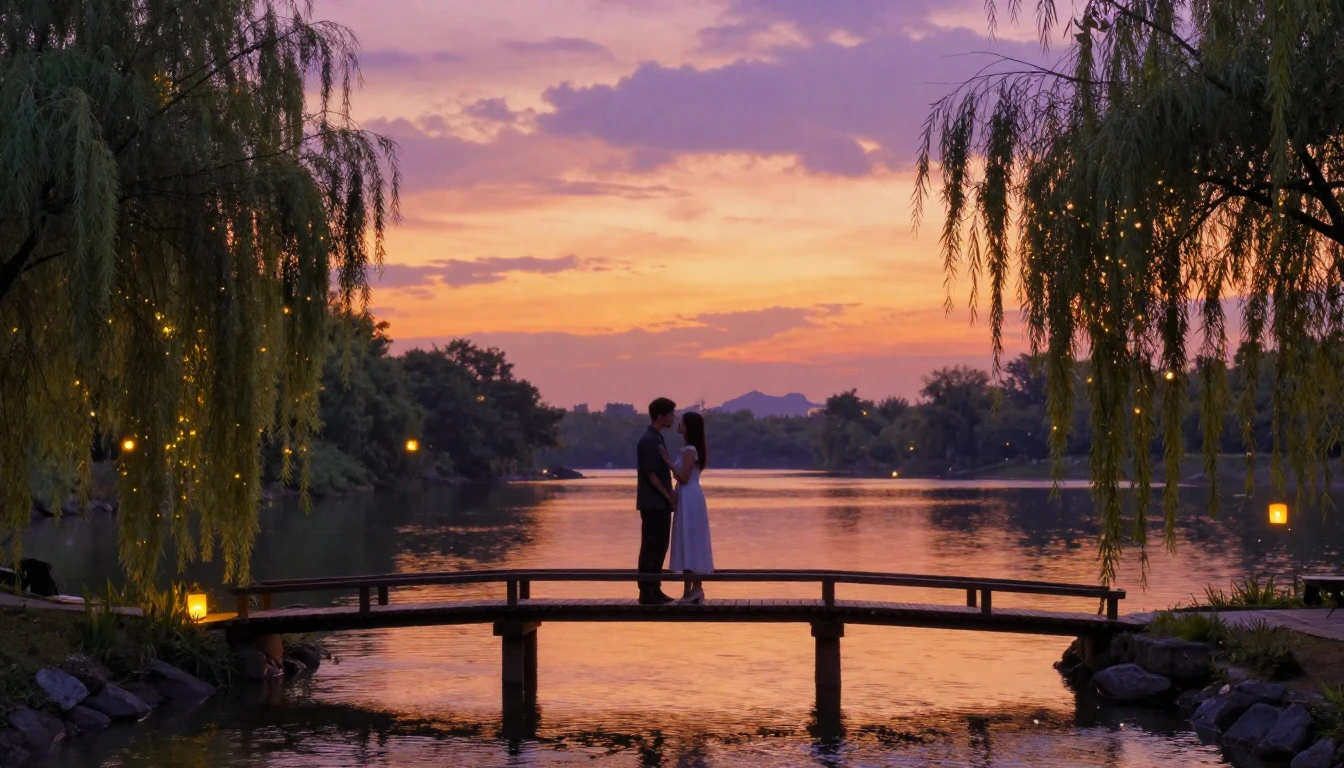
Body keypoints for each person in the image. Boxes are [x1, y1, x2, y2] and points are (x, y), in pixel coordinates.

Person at [635, 397, 678, 605]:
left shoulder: (658, 438)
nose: (673, 418)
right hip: (652, 503)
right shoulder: (649, 440)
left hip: (660, 503)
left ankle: (656, 587)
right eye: (671, 414)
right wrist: (667, 495)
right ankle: (646, 591)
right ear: (661, 415)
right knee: (651, 545)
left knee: (661, 545)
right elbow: (650, 474)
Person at [668, 411, 713, 603]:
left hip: (689, 496)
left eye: (682, 423)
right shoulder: (690, 449)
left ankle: (695, 589)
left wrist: (667, 464)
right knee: (688, 539)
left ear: (688, 427)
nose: (679, 424)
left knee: (691, 538)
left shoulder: (690, 451)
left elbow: (684, 477)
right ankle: (690, 590)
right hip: (689, 495)